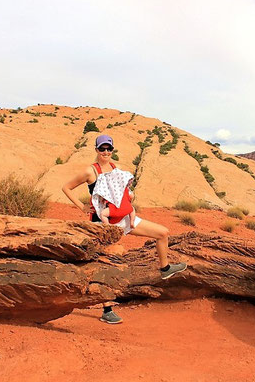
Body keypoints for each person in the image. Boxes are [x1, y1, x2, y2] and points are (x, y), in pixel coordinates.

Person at [62, 134, 187, 324]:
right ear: (96, 150)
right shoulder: (90, 171)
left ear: (112, 150)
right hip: (102, 223)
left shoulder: (116, 168)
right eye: (102, 149)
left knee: (162, 232)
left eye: (109, 149)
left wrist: (131, 196)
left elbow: (124, 192)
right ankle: (107, 310)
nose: (106, 152)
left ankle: (165, 268)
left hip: (123, 217)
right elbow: (66, 187)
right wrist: (82, 207)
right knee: (106, 263)